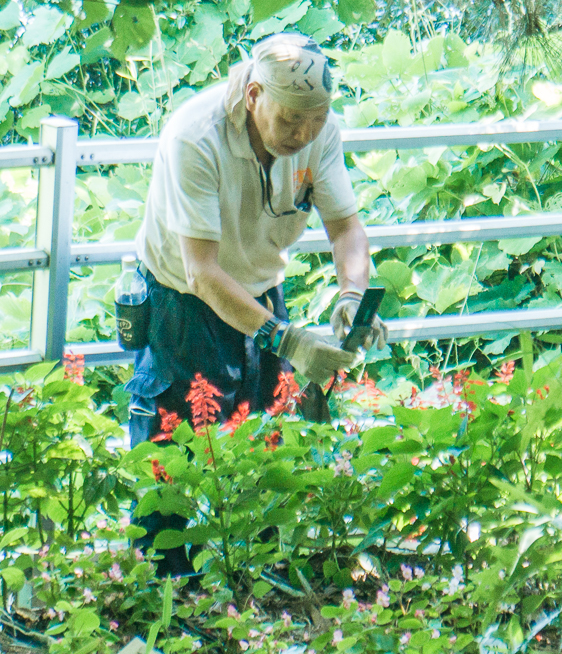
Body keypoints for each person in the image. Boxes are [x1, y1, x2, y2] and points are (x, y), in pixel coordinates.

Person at [122, 32, 386, 574]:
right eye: (291, 121)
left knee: (268, 438)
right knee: (174, 450)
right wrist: (288, 340)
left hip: (261, 288)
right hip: (182, 296)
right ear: (253, 96)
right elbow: (202, 271)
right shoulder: (195, 138)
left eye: (315, 120)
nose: (304, 134)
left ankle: (253, 589)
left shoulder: (319, 130)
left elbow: (345, 228)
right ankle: (160, 589)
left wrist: (354, 293)